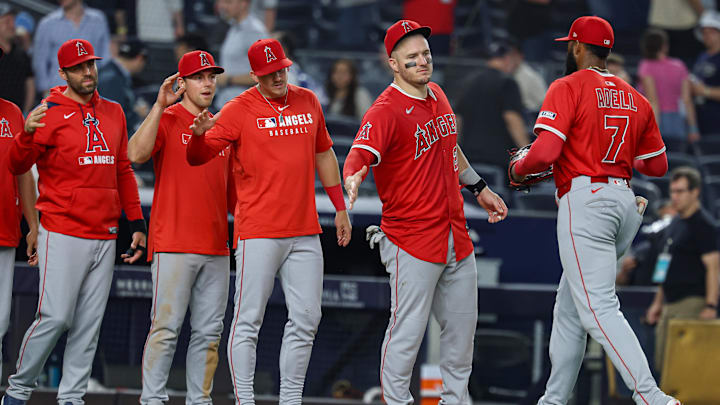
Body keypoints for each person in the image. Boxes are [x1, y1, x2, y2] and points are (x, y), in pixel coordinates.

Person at [509, 16, 681, 405]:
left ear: (576, 46)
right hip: (623, 202)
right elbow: (656, 167)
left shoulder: (566, 86)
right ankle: (553, 400)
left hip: (586, 201)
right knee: (570, 307)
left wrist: (521, 166)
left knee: (599, 307)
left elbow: (546, 153)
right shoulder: (635, 96)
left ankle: (652, 397)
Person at [343, 20, 509, 404]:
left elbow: (450, 149)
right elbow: (359, 155)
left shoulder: (437, 94)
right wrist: (352, 178)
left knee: (461, 338)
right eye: (412, 57)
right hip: (410, 239)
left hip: (455, 233)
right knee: (406, 335)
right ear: (393, 64)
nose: (422, 62)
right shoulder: (384, 110)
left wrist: (479, 187)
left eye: (426, 54)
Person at [186, 38, 352, 404]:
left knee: (308, 318)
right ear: (254, 75)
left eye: (280, 68)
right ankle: (245, 400)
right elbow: (200, 157)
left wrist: (340, 207)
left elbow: (324, 152)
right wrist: (197, 137)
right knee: (248, 321)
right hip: (259, 231)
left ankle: (289, 400)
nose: (277, 76)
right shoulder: (238, 108)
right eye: (268, 72)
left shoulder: (307, 100)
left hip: (305, 228)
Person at [2, 38, 146, 405]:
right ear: (64, 72)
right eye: (80, 67)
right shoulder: (47, 110)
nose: (88, 72)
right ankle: (18, 390)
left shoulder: (114, 111)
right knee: (55, 316)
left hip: (105, 231)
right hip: (62, 228)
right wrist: (26, 136)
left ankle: (72, 398)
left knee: (89, 325)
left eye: (91, 65)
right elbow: (17, 165)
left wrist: (137, 222)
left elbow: (123, 170)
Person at [126, 49, 230, 405]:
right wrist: (158, 106)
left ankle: (198, 402)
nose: (207, 83)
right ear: (181, 82)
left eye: (211, 76)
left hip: (217, 245)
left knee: (209, 334)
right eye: (199, 77)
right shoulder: (168, 118)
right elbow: (134, 154)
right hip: (173, 241)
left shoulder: (220, 124)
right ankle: (152, 400)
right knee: (166, 329)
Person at [645, 167, 719, 376]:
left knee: (686, 370)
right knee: (663, 365)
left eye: (680, 192)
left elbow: (713, 267)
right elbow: (665, 264)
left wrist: (711, 305)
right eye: (673, 192)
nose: (674, 197)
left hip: (692, 304)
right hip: (669, 303)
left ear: (695, 192)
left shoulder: (703, 225)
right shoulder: (675, 224)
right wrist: (658, 303)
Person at [0, 49, 39, 383]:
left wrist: (33, 225)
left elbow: (24, 171)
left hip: (3, 232)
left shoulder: (12, 113)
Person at [455, 41, 529, 169]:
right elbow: (512, 119)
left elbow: (457, 119)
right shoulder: (507, 82)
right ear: (507, 59)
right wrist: (527, 154)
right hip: (499, 158)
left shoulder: (469, 81)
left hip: (470, 159)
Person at [32, 0, 111, 94]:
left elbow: (105, 57)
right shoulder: (47, 24)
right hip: (59, 93)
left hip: (92, 92)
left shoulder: (98, 20)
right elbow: (40, 62)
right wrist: (46, 92)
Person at [638, 28, 700, 142]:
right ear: (664, 46)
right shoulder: (679, 66)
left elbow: (653, 101)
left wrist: (652, 131)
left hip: (657, 120)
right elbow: (686, 100)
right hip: (678, 121)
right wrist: (693, 128)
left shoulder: (646, 66)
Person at [215, 0, 268, 107]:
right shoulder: (233, 27)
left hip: (245, 107)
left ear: (244, 3)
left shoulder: (254, 31)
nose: (222, 6)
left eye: (228, 2)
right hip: (226, 103)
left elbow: (266, 74)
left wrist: (229, 80)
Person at [97, 37, 148, 132]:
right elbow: (111, 117)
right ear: (139, 58)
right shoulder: (112, 79)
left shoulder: (113, 73)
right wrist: (137, 114)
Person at [0, 3, 35, 114]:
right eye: (7, 22)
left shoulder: (21, 54)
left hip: (16, 116)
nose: (12, 26)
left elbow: (30, 83)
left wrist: (26, 112)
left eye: (13, 21)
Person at [691, 11, 720, 135]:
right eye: (704, 32)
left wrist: (705, 91)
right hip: (702, 115)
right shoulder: (702, 56)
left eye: (712, 32)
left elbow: (702, 88)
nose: (707, 36)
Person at [508, 41, 548, 113]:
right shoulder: (504, 74)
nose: (509, 59)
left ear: (520, 56)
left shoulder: (530, 76)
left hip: (529, 117)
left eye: (513, 55)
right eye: (507, 55)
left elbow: (545, 103)